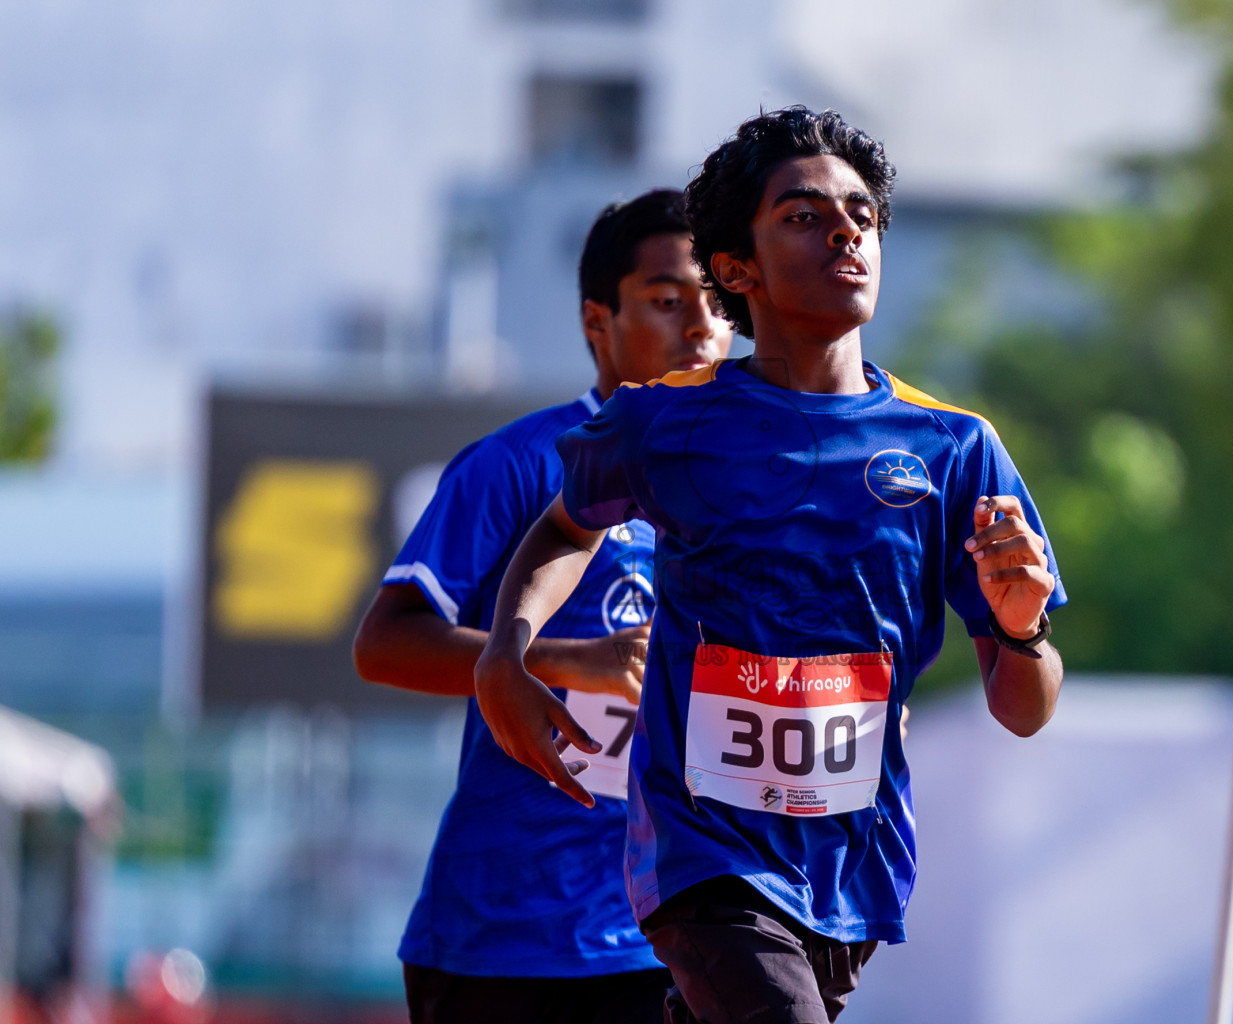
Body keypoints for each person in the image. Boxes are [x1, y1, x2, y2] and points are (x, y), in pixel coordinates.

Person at [474, 108, 1067, 1024]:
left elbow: (1022, 707)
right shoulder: (663, 422)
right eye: (803, 213)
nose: (844, 229)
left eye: (862, 214)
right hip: (698, 850)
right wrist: (504, 652)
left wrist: (1022, 623)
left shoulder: (955, 450)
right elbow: (564, 530)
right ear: (736, 269)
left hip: (853, 869)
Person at [352, 188, 733, 1024]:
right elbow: (383, 645)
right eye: (668, 301)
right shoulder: (520, 463)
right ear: (598, 320)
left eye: (717, 303)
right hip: (508, 938)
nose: (701, 327)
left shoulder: (755, 487)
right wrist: (559, 660)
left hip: (687, 930)